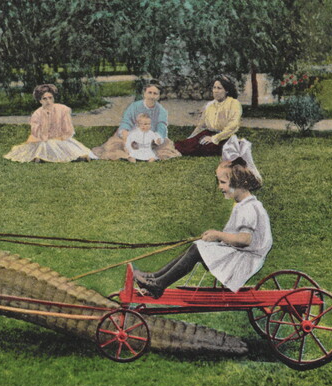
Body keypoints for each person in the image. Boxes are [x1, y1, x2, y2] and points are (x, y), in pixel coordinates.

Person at [133, 154, 271, 298]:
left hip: (245, 260)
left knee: (197, 249)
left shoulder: (249, 208)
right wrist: (217, 236)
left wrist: (218, 235)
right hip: (239, 254)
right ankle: (155, 278)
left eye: (223, 182)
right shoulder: (243, 204)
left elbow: (244, 240)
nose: (220, 187)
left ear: (239, 183)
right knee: (197, 246)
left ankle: (159, 284)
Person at [4, 84, 97, 163]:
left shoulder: (63, 109)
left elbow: (68, 130)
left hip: (61, 139)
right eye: (44, 99)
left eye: (50, 98)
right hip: (43, 140)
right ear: (40, 101)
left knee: (62, 146)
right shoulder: (37, 114)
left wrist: (59, 138)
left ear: (53, 98)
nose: (48, 101)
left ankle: (78, 157)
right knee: (44, 145)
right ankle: (42, 157)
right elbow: (37, 133)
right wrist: (45, 122)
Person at [92, 81, 180, 161]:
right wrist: (125, 134)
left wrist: (157, 137)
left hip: (150, 136)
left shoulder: (161, 110)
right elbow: (126, 121)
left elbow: (162, 125)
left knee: (163, 147)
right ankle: (129, 155)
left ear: (158, 96)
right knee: (116, 146)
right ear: (144, 94)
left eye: (155, 94)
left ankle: (148, 154)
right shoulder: (134, 106)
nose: (152, 96)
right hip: (133, 133)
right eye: (149, 92)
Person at [174, 75, 242, 157]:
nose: (215, 91)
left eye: (219, 88)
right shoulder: (210, 105)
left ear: (226, 90)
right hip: (209, 133)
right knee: (184, 144)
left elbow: (233, 126)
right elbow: (201, 126)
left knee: (206, 147)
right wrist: (190, 139)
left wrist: (214, 138)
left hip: (225, 136)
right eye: (214, 88)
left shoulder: (233, 104)